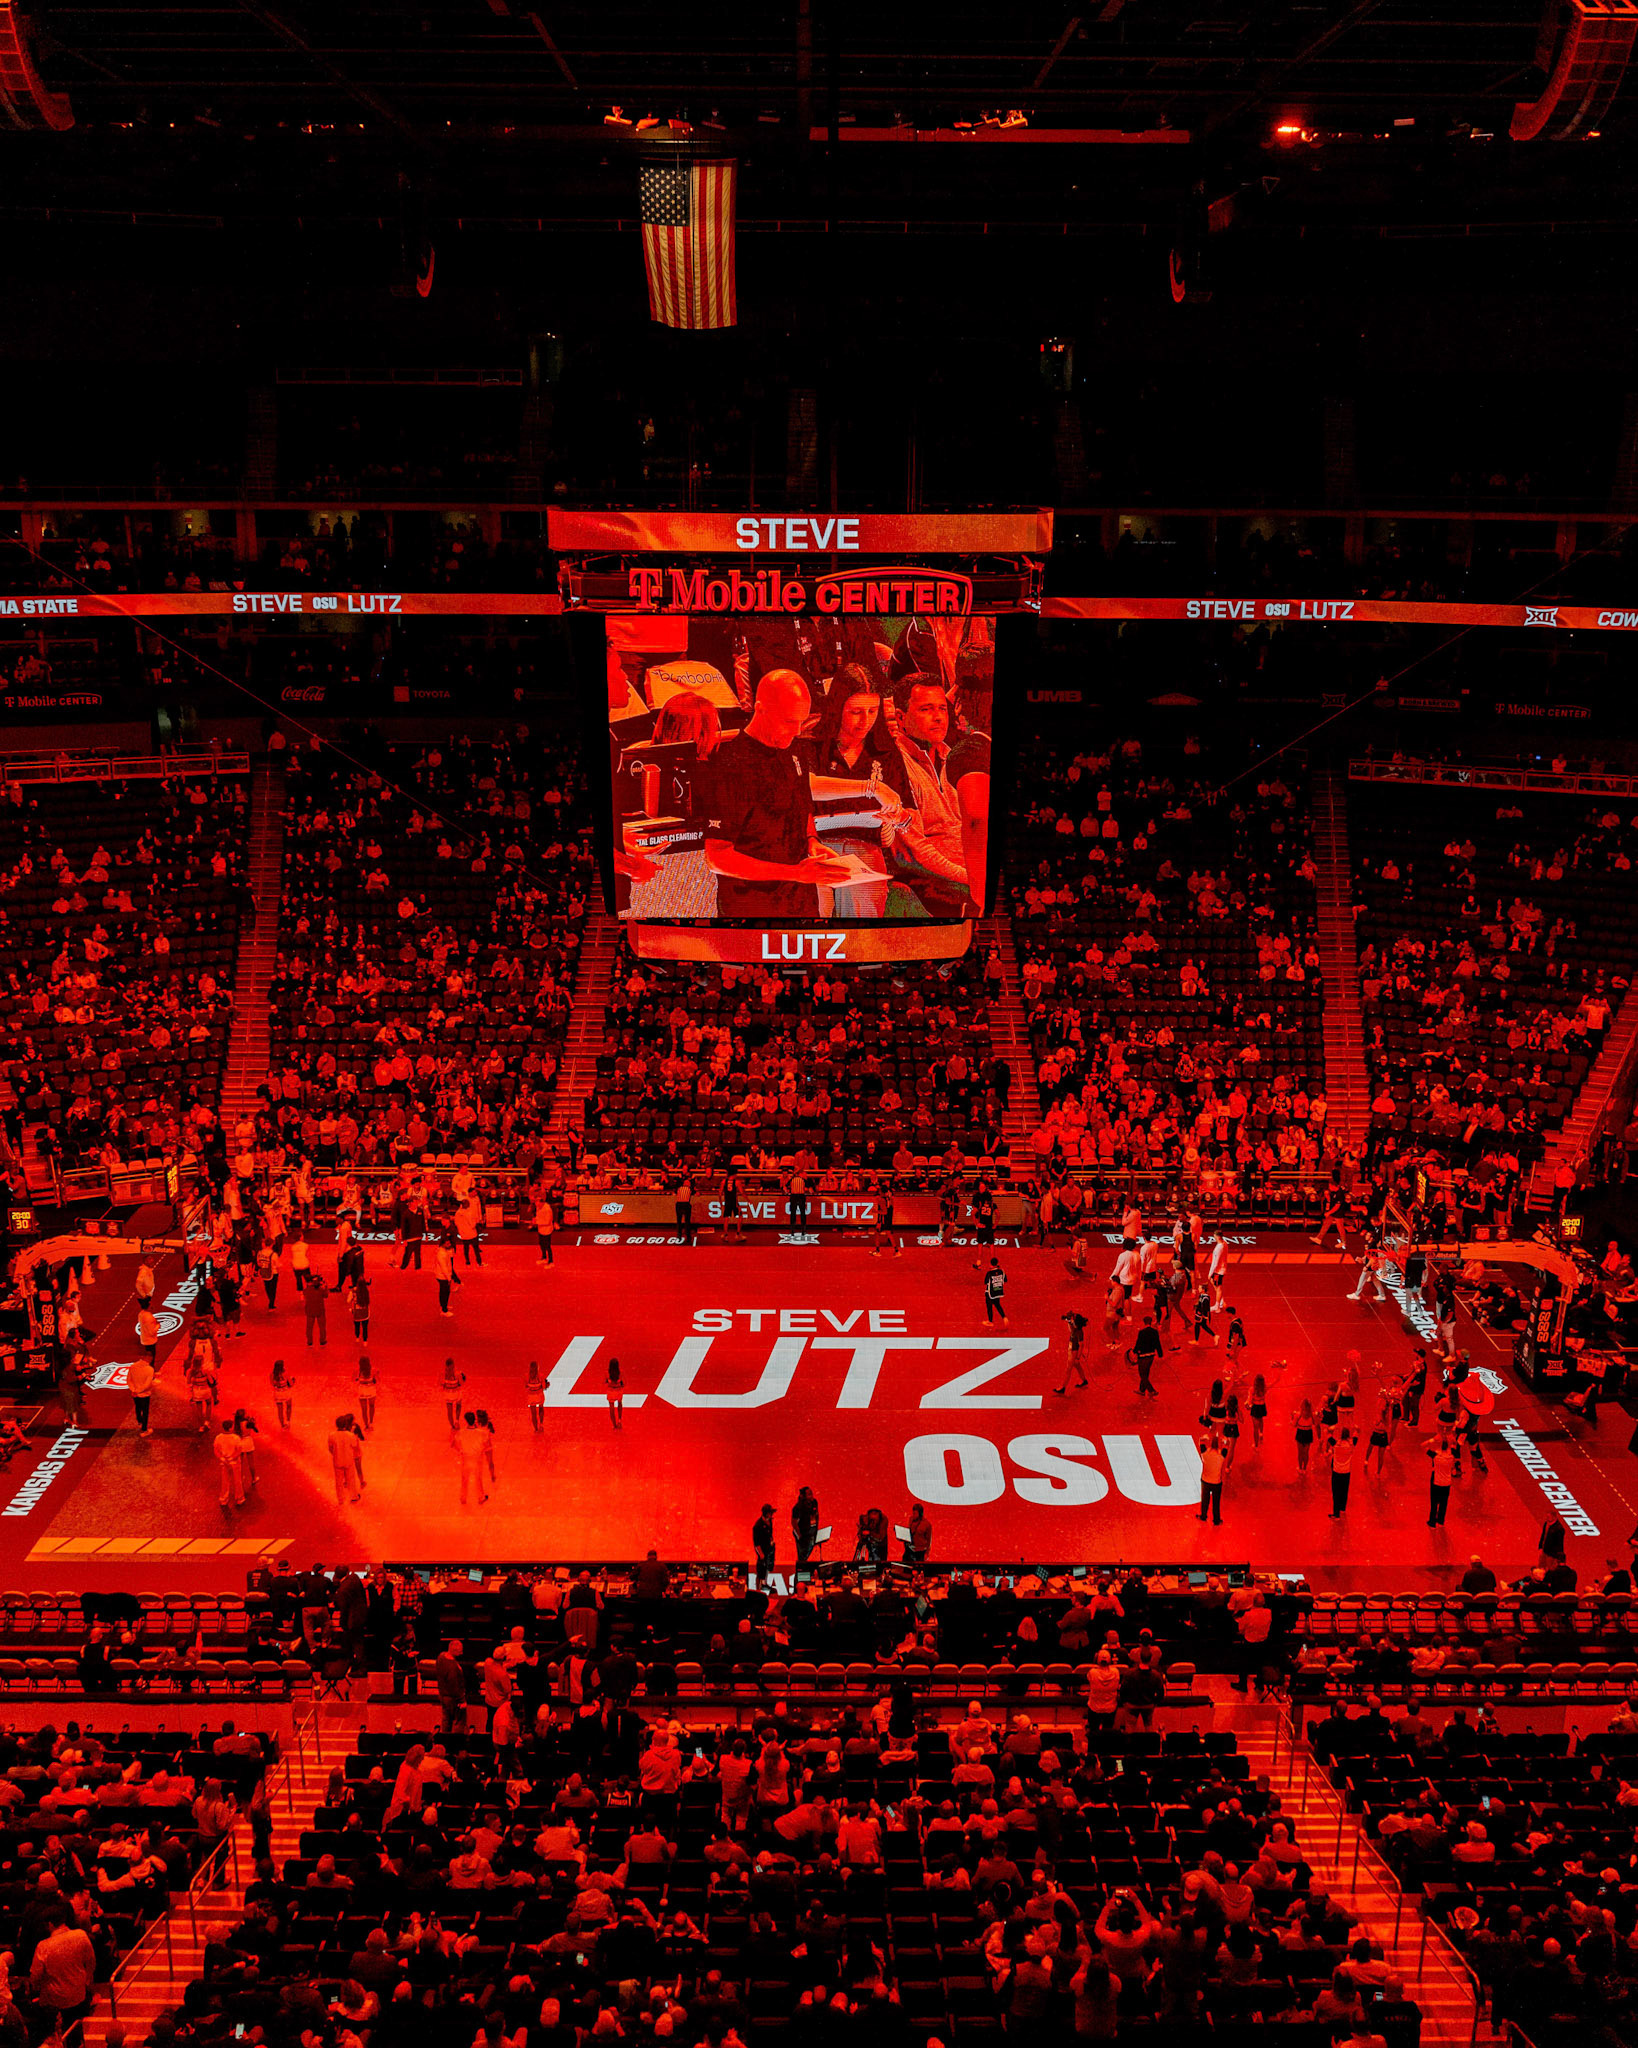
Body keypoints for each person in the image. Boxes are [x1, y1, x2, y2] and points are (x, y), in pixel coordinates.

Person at [704, 668, 850, 918]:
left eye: (801, 721)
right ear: (760, 709)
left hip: (801, 901)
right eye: (789, 721)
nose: (796, 731)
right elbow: (717, 858)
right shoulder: (731, 765)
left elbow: (803, 809)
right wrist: (794, 873)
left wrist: (812, 842)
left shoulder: (795, 750)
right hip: (750, 906)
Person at [328, 1414, 364, 1505]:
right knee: (351, 1478)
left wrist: (335, 1454)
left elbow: (330, 1448)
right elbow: (354, 1445)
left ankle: (340, 1499)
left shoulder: (332, 1435)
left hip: (337, 1460)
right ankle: (353, 1496)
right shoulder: (350, 1435)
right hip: (348, 1460)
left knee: (338, 1481)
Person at [213, 1419, 247, 1512]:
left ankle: (224, 1499)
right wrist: (231, 1458)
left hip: (224, 1463)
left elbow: (216, 1450)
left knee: (225, 1481)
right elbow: (238, 1450)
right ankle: (240, 1498)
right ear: (231, 1427)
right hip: (235, 1463)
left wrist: (222, 1458)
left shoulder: (219, 1437)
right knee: (237, 1481)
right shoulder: (235, 1438)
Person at [456, 1413, 489, 1506]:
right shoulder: (481, 1433)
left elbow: (456, 1444)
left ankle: (463, 1497)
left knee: (464, 1479)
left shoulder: (461, 1432)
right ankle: (480, 1497)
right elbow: (486, 1445)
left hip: (466, 1458)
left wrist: (462, 1450)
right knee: (478, 1479)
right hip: (477, 1458)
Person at [1128, 1314, 1162, 1399]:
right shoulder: (1155, 1332)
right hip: (1151, 1356)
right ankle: (1142, 1390)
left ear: (1144, 1322)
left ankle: (1151, 1390)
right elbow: (1158, 1344)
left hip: (1142, 1356)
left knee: (1142, 1374)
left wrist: (1134, 1351)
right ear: (1150, 1322)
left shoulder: (1142, 1332)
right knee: (1146, 1373)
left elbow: (1138, 1344)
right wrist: (1160, 1354)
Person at [1056, 1309, 1089, 1394]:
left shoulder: (1079, 1332)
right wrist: (1068, 1322)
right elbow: (1071, 1331)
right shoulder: (1074, 1329)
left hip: (1074, 1350)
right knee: (1077, 1365)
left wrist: (1078, 1357)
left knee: (1068, 1368)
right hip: (1071, 1347)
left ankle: (1063, 1387)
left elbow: (1081, 1345)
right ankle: (1084, 1380)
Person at [1426, 1432, 1456, 1527]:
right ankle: (1441, 1521)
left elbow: (1423, 1446)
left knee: (1434, 1502)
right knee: (1444, 1502)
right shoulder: (1451, 1456)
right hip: (1447, 1483)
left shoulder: (1436, 1456)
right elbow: (1456, 1445)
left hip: (1436, 1481)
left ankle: (1432, 1522)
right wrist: (1451, 1439)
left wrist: (1433, 1439)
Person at [1198, 1431, 1226, 1526]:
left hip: (1205, 1481)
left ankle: (1203, 1516)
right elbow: (1227, 1447)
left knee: (1205, 1500)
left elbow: (1201, 1443)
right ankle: (1216, 1520)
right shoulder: (1221, 1456)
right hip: (1216, 1482)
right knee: (1216, 1502)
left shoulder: (1205, 1454)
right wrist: (1225, 1441)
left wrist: (1203, 1438)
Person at [1328, 1425, 1356, 1518]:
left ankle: (1336, 1514)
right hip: (1346, 1472)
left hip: (1336, 1471)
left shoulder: (1336, 1445)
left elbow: (1328, 1434)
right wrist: (1355, 1428)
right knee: (1344, 1490)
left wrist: (1333, 1428)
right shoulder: (1351, 1445)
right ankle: (1342, 1508)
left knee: (1336, 1492)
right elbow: (1357, 1434)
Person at [128, 1353, 155, 1439]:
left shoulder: (132, 1366)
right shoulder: (150, 1369)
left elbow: (129, 1380)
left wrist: (134, 1390)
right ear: (150, 1359)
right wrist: (138, 1391)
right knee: (145, 1411)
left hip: (135, 1394)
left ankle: (139, 1421)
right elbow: (147, 1384)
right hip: (144, 1394)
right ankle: (144, 1430)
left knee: (138, 1407)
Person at [792, 1485, 820, 1566]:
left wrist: (815, 1531)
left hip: (812, 1533)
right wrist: (800, 1536)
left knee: (807, 1556)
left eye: (811, 1493)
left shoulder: (814, 1503)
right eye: (809, 1494)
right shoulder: (798, 1508)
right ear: (803, 1496)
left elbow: (816, 1515)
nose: (811, 1496)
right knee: (802, 1559)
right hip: (803, 1536)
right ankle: (800, 1575)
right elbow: (794, 1523)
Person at [435, 1236, 461, 1317]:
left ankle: (443, 1306)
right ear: (443, 1244)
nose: (449, 1244)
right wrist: (449, 1278)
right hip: (443, 1276)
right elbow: (444, 1267)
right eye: (447, 1243)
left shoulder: (443, 1251)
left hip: (442, 1275)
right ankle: (444, 1310)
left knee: (444, 1292)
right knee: (445, 1293)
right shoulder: (441, 1254)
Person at [980, 1256, 1008, 1326]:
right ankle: (1004, 1317)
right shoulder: (1001, 1271)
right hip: (998, 1291)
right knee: (997, 1305)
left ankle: (990, 1321)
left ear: (991, 1264)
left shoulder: (989, 1273)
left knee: (989, 1307)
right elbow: (1005, 1280)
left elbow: (985, 1282)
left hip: (990, 1293)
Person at [304, 1268, 329, 1347]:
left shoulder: (308, 1290)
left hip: (310, 1310)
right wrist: (325, 1286)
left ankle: (309, 1341)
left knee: (309, 1327)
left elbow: (305, 1293)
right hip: (320, 1310)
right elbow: (326, 1295)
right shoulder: (321, 1290)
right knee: (322, 1327)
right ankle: (322, 1340)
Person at [441, 1357, 466, 1435]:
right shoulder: (457, 1373)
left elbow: (441, 1384)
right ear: (452, 1365)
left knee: (450, 1410)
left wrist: (447, 1385)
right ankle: (456, 1422)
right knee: (456, 1406)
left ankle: (453, 1425)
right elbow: (461, 1383)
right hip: (454, 1392)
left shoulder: (443, 1373)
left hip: (448, 1393)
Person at [752, 1504, 776, 1582]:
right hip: (762, 1551)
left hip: (769, 1549)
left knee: (768, 1568)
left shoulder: (769, 1521)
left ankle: (764, 1583)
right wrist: (761, 1555)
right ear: (766, 1513)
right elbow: (756, 1543)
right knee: (761, 1569)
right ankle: (759, 1587)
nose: (772, 1514)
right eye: (770, 1513)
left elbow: (770, 1534)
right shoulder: (758, 1526)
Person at [355, 1355, 379, 1432]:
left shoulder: (357, 1371)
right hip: (371, 1389)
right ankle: (370, 1423)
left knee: (364, 1409)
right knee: (371, 1406)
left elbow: (353, 1379)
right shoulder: (373, 1370)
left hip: (362, 1390)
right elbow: (378, 1380)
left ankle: (367, 1425)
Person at [270, 1358, 295, 1429]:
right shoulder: (286, 1373)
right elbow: (291, 1383)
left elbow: (272, 1384)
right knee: (289, 1406)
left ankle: (282, 1425)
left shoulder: (272, 1375)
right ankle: (288, 1421)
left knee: (280, 1410)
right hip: (285, 1392)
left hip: (277, 1393)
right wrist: (293, 1381)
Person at [534, 1191, 556, 1266]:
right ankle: (544, 1258)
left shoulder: (547, 1209)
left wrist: (537, 1222)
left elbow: (547, 1221)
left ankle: (551, 1261)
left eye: (537, 1203)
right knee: (541, 1244)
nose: (536, 1204)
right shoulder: (538, 1207)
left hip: (547, 1230)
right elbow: (538, 1216)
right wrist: (535, 1219)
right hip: (540, 1230)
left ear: (541, 1203)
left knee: (547, 1246)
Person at [350, 1272, 371, 1343]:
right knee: (365, 1327)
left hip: (357, 1313)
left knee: (357, 1325)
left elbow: (348, 1300)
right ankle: (365, 1340)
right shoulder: (366, 1291)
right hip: (365, 1313)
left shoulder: (353, 1291)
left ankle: (357, 1337)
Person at [606, 1357, 625, 1431]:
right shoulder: (621, 1372)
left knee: (611, 1407)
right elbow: (624, 1383)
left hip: (610, 1391)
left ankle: (614, 1424)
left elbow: (604, 1383)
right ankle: (619, 1420)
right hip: (618, 1390)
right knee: (619, 1403)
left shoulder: (607, 1373)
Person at [526, 1359, 545, 1434]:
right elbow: (543, 1386)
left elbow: (526, 1387)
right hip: (539, 1394)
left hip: (531, 1396)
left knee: (533, 1413)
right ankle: (541, 1424)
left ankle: (536, 1429)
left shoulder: (526, 1376)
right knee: (541, 1408)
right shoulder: (541, 1376)